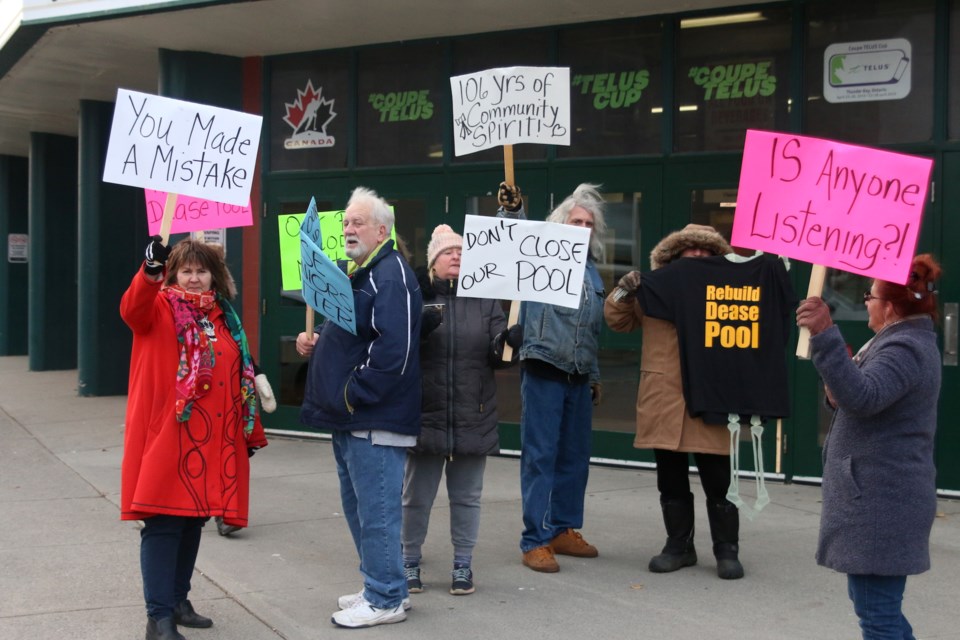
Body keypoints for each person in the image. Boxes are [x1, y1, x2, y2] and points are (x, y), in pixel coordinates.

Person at [120, 237, 268, 640]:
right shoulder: (159, 307)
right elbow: (132, 308)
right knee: (164, 524)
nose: (195, 277)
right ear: (173, 274)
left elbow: (235, 370)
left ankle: (178, 601)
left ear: (215, 276)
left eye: (202, 270)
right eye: (186, 270)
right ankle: (159, 617)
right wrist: (150, 270)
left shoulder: (223, 317)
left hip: (213, 441)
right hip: (169, 439)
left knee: (191, 523)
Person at [796, 254, 942, 640]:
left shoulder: (905, 348)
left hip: (883, 503)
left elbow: (865, 396)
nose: (865, 302)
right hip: (880, 499)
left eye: (869, 295)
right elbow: (855, 394)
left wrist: (826, 334)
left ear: (889, 306)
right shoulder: (899, 339)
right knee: (877, 610)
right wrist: (836, 375)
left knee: (878, 616)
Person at [296, 186, 422, 628]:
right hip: (353, 419)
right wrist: (317, 343)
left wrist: (352, 391)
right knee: (362, 510)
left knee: (378, 513)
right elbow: (357, 336)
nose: (348, 228)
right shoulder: (363, 272)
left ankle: (385, 597)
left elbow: (395, 350)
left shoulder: (390, 275)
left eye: (357, 222)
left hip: (372, 418)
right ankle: (382, 586)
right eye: (346, 222)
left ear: (382, 230)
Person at [604, 224, 751, 579]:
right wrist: (624, 291)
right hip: (664, 398)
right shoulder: (655, 288)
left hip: (712, 394)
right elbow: (616, 321)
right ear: (674, 256)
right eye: (691, 250)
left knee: (719, 480)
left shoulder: (731, 291)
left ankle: (726, 550)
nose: (698, 255)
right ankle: (679, 546)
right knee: (670, 479)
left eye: (706, 251)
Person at [401, 224, 522, 596]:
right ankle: (408, 561)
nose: (455, 256)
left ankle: (462, 565)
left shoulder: (486, 300)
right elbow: (397, 351)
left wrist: (509, 343)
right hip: (426, 413)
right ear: (433, 261)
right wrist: (416, 329)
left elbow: (498, 357)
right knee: (416, 497)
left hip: (474, 413)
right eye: (447, 252)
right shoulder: (414, 297)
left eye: (461, 252)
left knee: (467, 497)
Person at [498, 182, 606, 573]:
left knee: (575, 458)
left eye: (588, 222)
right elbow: (514, 240)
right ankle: (535, 539)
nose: (582, 226)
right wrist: (513, 209)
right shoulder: (545, 253)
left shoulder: (592, 272)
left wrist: (594, 374)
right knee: (540, 457)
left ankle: (562, 528)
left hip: (578, 374)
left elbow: (591, 329)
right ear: (561, 223)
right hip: (544, 367)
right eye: (576, 220)